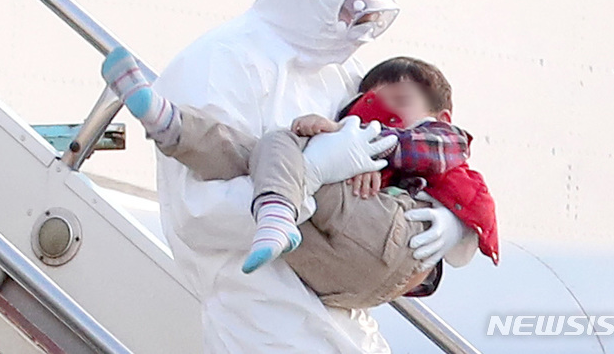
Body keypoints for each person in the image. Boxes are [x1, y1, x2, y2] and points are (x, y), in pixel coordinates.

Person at [108, 0, 473, 353]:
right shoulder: (219, 62)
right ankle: (170, 125)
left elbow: (397, 172)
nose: (363, 32)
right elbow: (195, 218)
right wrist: (311, 174)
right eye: (356, 11)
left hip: (348, 324)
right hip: (262, 326)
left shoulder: (344, 73)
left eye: (375, 17)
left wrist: (452, 221)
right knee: (245, 151)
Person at [103, 52, 495, 310]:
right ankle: (175, 130)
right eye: (370, 105)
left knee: (283, 143)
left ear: (440, 117)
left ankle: (175, 127)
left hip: (390, 232)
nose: (380, 115)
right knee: (264, 160)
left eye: (397, 103)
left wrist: (338, 135)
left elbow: (419, 149)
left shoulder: (444, 139)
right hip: (348, 286)